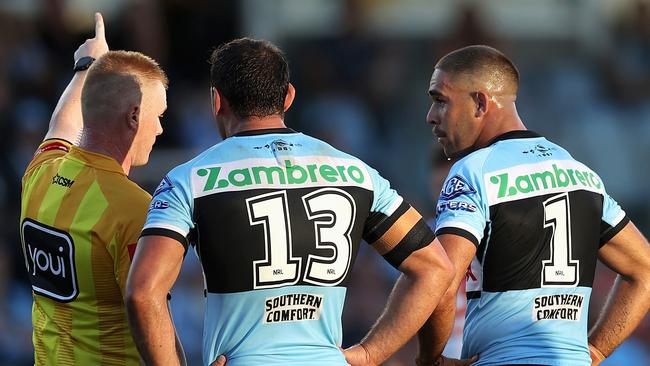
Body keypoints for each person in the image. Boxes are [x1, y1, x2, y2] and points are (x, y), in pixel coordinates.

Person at [125, 37, 454, 366]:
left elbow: (143, 291)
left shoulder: (189, 179)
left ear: (216, 101)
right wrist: (370, 354)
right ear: (289, 96)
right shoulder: (355, 173)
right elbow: (434, 268)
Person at [416, 45, 650, 366]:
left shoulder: (474, 170)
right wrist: (594, 351)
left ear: (481, 102)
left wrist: (432, 358)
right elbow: (644, 269)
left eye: (440, 100)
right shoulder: (580, 175)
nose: (431, 116)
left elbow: (440, 279)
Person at [19, 13, 173, 365]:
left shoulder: (40, 173)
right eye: (159, 115)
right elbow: (149, 311)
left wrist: (86, 65)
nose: (161, 129)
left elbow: (62, 123)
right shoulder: (136, 209)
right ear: (134, 116)